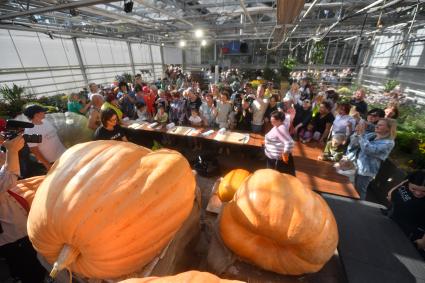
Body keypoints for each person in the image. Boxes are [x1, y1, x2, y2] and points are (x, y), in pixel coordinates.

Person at [0, 135, 46, 283]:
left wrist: (9, 150)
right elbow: (7, 179)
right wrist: (11, 151)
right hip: (11, 237)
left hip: (21, 230)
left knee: (35, 261)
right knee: (26, 268)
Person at [350, 118, 397, 199]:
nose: (377, 126)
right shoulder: (371, 135)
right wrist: (356, 133)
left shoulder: (389, 142)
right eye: (377, 124)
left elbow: (369, 150)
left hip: (366, 170)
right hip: (356, 165)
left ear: (388, 128)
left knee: (359, 190)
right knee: (351, 187)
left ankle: (358, 207)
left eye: (381, 125)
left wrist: (361, 136)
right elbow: (354, 144)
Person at [386, 170, 425, 259]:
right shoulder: (404, 187)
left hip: (412, 236)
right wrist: (402, 183)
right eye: (414, 189)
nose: (418, 193)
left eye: (424, 191)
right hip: (392, 224)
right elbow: (390, 196)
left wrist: (423, 241)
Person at [23, 105, 66, 171]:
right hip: (52, 160)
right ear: (36, 114)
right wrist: (47, 165)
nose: (44, 112)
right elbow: (34, 150)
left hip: (63, 154)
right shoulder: (30, 130)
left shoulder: (45, 121)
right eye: (42, 111)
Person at [264, 111, 295, 176]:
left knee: (273, 174)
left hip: (275, 158)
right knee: (270, 173)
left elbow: (290, 143)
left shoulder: (281, 129)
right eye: (271, 118)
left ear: (279, 120)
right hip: (271, 156)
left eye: (273, 119)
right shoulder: (277, 126)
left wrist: (285, 153)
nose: (271, 120)